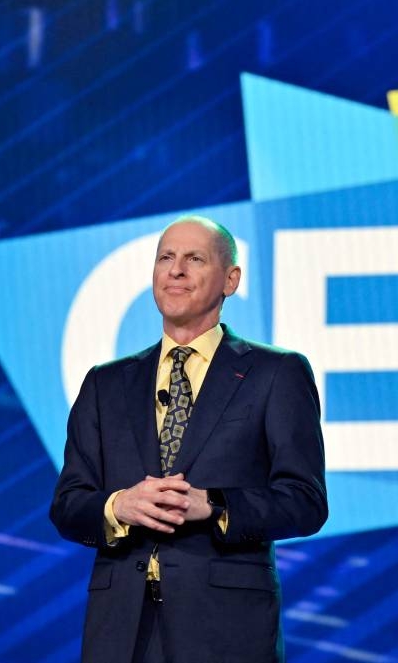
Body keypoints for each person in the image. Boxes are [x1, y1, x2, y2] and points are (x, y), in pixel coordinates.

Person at [50, 216, 328, 663]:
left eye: (194, 259)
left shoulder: (276, 374)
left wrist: (215, 505)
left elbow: (305, 502)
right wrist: (118, 506)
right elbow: (68, 505)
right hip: (120, 630)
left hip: (225, 629)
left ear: (230, 280)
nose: (175, 270)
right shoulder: (105, 384)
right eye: (166, 257)